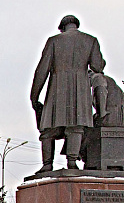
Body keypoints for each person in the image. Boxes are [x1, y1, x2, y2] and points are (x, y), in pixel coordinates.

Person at [30, 15, 105, 173]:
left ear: (62, 27)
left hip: (57, 90)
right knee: (75, 127)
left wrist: (34, 96)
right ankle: (72, 162)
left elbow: (42, 70)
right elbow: (98, 66)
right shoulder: (91, 41)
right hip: (80, 91)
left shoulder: (54, 41)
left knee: (48, 128)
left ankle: (47, 164)